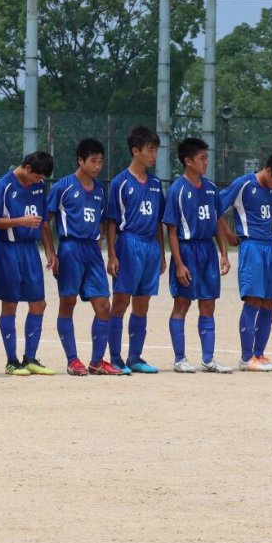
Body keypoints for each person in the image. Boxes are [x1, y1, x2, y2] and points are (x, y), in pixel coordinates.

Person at [48, 138, 121, 376]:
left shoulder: (99, 190)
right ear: (80, 160)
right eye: (93, 161)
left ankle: (97, 361)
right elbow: (44, 222)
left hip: (92, 251)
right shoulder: (63, 187)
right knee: (67, 303)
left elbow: (102, 222)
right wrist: (51, 252)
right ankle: (72, 360)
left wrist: (103, 246)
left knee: (104, 306)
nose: (98, 166)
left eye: (101, 161)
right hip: (70, 249)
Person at [221, 151, 272, 372]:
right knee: (253, 299)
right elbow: (215, 208)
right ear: (269, 171)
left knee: (270, 302)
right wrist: (228, 234)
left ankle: (259, 354)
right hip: (251, 246)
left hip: (269, 248)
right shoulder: (243, 184)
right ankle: (246, 358)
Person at [0, 151, 58, 376]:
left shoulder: (39, 186)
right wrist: (20, 221)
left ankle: (30, 358)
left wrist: (49, 249)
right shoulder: (5, 185)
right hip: (7, 249)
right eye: (37, 176)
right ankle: (11, 361)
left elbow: (43, 221)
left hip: (30, 250)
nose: (39, 180)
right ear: (26, 168)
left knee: (39, 303)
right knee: (10, 304)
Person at [163, 137, 232, 373]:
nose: (206, 162)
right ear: (188, 161)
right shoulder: (177, 190)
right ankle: (179, 359)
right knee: (182, 303)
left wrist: (224, 254)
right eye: (202, 158)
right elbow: (172, 232)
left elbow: (218, 222)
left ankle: (208, 359)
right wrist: (179, 264)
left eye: (207, 157)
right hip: (187, 250)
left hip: (208, 250)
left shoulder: (211, 188)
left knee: (208, 304)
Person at [104, 126, 168, 374]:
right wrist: (112, 255)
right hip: (128, 244)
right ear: (135, 151)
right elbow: (111, 221)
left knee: (143, 304)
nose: (154, 155)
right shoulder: (120, 182)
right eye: (150, 150)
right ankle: (115, 358)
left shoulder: (155, 184)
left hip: (150, 246)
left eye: (156, 150)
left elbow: (159, 221)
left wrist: (162, 253)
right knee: (121, 301)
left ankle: (135, 357)